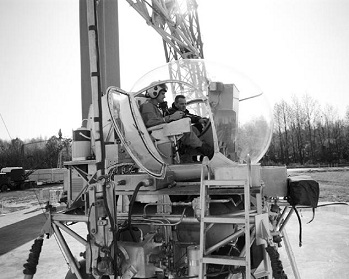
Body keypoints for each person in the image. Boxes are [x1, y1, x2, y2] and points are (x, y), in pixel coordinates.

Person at [139, 83, 213, 159]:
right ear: (154, 93)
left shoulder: (155, 107)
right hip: (159, 135)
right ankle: (208, 152)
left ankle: (200, 153)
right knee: (186, 133)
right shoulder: (147, 106)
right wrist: (171, 117)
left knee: (191, 130)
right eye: (162, 94)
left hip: (163, 131)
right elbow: (150, 122)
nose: (164, 96)